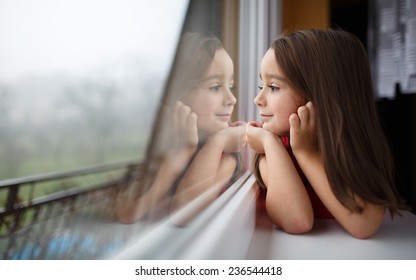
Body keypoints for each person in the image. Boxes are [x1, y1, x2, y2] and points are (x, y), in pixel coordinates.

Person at [246, 29, 408, 239]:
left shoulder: (349, 149)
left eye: (274, 87)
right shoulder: (274, 147)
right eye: (262, 85)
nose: (258, 99)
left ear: (320, 95)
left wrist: (306, 152)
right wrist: (270, 143)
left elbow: (364, 223)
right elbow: (297, 221)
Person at [116, 32, 245, 224]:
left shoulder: (225, 154)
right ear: (178, 95)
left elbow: (184, 213)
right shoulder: (151, 149)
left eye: (231, 86)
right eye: (215, 87)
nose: (231, 99)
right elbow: (126, 214)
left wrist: (218, 141)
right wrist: (176, 161)